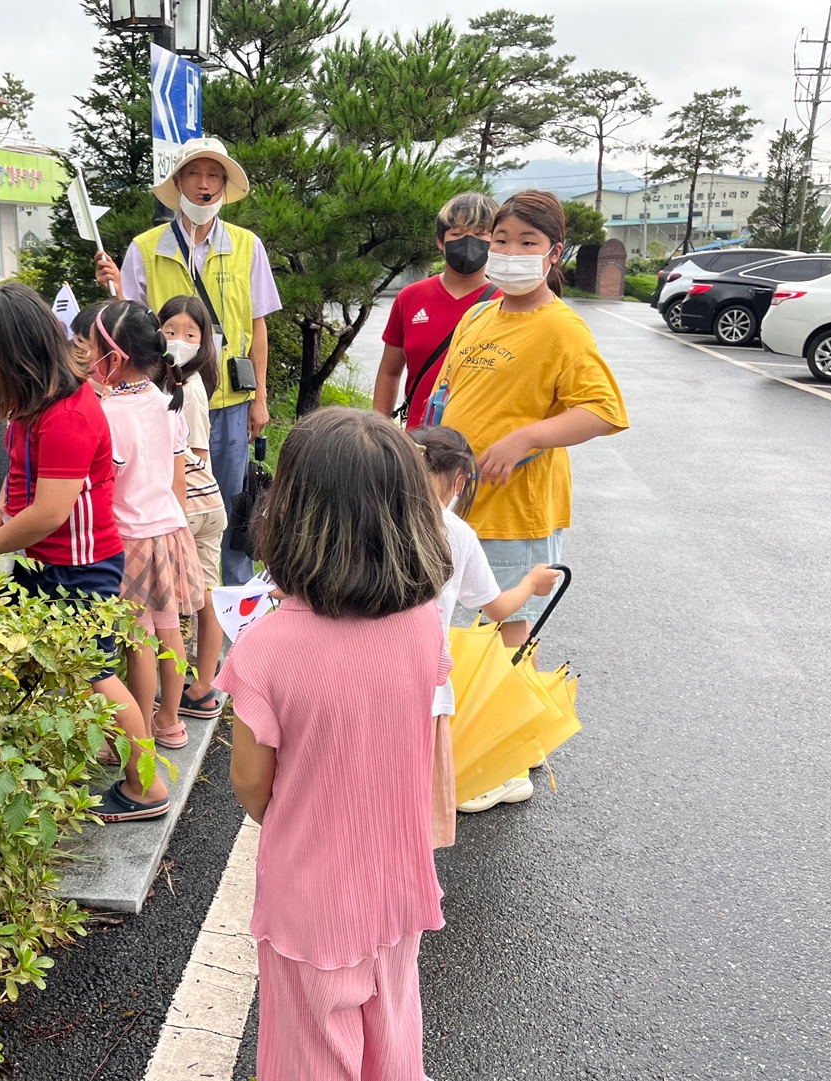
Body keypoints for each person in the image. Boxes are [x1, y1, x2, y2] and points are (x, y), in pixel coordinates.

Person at [217, 408, 451, 1081]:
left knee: (310, 1056)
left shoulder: (266, 649)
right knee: (393, 1037)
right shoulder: (424, 624)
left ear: (289, 513)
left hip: (311, 899)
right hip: (397, 880)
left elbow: (251, 784)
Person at [0, 283, 169, 823]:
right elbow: (17, 482)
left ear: (13, 356)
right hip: (41, 560)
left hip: (79, 565)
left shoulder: (68, 415)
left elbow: (50, 511)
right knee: (33, 657)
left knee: (96, 672)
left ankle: (147, 785)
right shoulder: (32, 405)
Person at [435, 188, 628, 667]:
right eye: (501, 240)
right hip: (455, 501)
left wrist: (525, 437)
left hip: (515, 509)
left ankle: (512, 717)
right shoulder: (478, 315)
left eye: (527, 242)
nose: (510, 252)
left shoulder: (562, 327)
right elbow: (446, 396)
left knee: (509, 632)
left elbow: (602, 410)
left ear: (554, 252)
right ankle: (456, 714)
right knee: (443, 624)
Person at [94, 137, 281, 584]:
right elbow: (129, 324)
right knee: (168, 497)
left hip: (231, 399)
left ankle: (233, 597)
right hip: (167, 400)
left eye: (214, 174)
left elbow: (257, 326)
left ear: (224, 185)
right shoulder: (145, 247)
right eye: (194, 173)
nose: (203, 183)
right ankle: (178, 593)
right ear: (177, 182)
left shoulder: (247, 245)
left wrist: (260, 398)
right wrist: (115, 291)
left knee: (230, 503)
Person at [412, 426, 561, 829]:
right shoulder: (456, 532)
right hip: (425, 680)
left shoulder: (374, 516)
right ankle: (494, 778)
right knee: (421, 778)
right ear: (460, 482)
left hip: (366, 672)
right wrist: (531, 583)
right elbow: (498, 609)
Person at [78, 300, 207, 758]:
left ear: (113, 358)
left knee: (138, 642)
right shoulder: (165, 399)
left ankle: (140, 737)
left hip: (128, 538)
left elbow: (104, 487)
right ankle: (170, 721)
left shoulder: (109, 413)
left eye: (90, 348)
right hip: (169, 530)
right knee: (169, 631)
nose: (85, 357)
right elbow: (176, 477)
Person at [372, 192, 501, 429]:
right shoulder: (410, 297)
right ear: (441, 241)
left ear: (495, 242)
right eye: (457, 234)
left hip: (480, 439)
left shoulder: (506, 303)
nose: (468, 242)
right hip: (418, 438)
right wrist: (380, 430)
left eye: (480, 233)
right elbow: (390, 372)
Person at [159, 294, 226, 721]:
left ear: (204, 342)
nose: (178, 341)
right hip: (206, 503)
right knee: (205, 594)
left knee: (187, 599)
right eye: (170, 331)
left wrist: (181, 514)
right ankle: (202, 685)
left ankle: (194, 688)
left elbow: (196, 454)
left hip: (191, 505)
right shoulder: (175, 380)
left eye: (189, 334)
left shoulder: (189, 387)